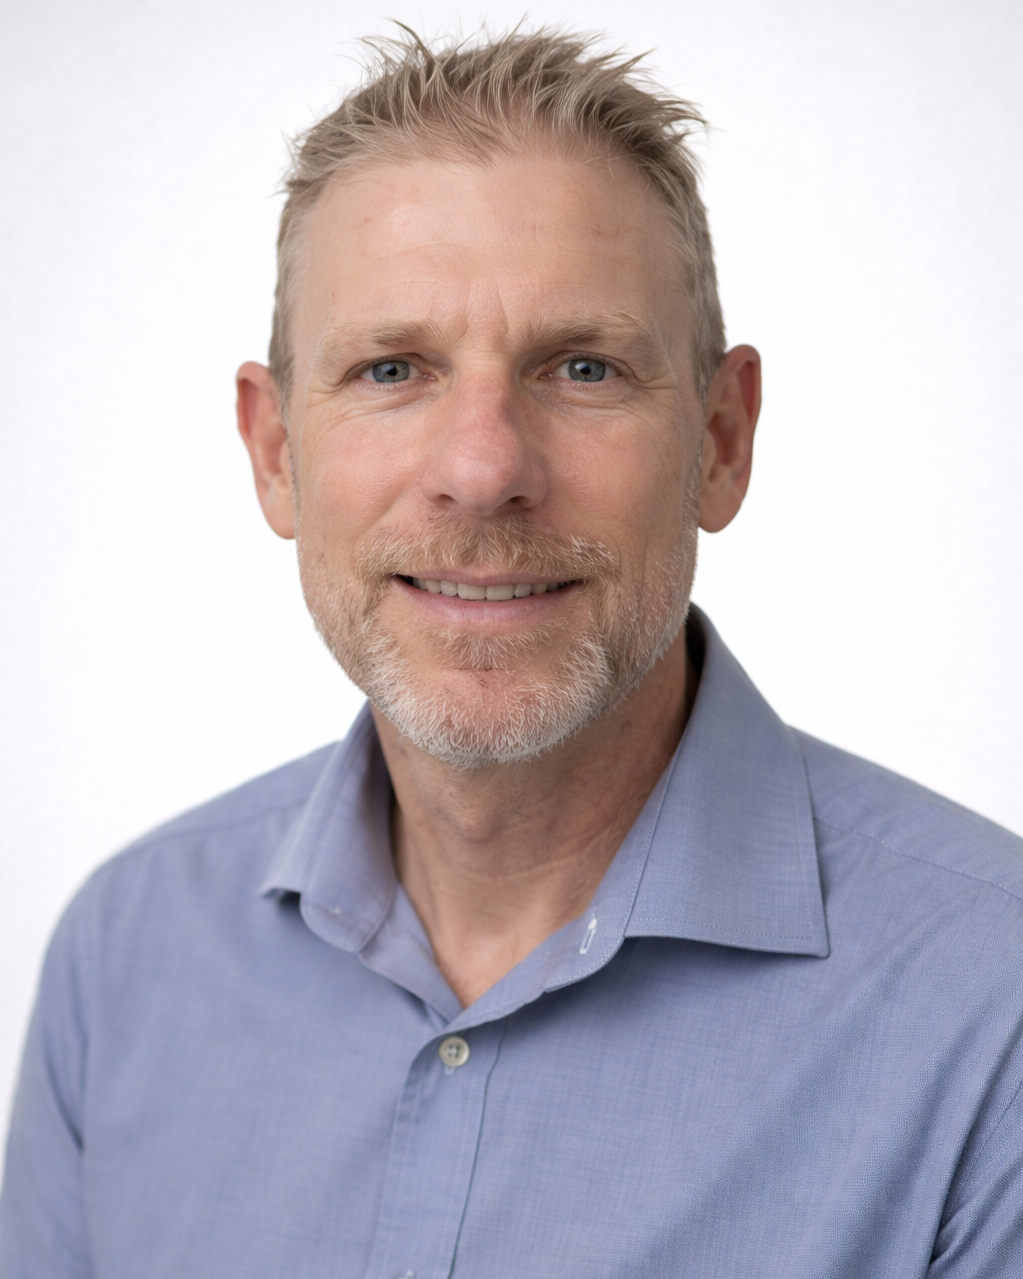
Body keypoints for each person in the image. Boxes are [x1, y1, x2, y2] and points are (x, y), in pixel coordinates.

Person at [2, 25, 1022, 1278]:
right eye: (392, 369)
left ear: (720, 438)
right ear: (275, 453)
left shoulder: (993, 1003)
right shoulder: (125, 961)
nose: (483, 471)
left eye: (582, 366)